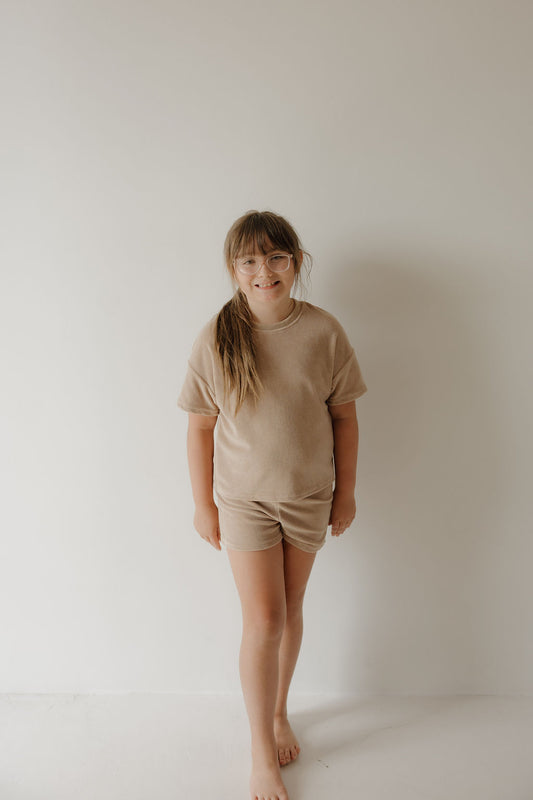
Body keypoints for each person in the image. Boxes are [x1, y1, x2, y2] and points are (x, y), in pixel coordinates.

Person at [177, 209, 367, 800]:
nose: (265, 270)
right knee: (264, 619)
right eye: (250, 261)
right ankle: (261, 751)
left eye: (276, 257)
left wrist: (346, 493)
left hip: (309, 497)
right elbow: (200, 428)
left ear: (297, 263)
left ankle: (280, 710)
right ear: (234, 271)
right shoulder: (217, 336)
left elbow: (344, 417)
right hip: (244, 502)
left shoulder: (324, 331)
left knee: (290, 609)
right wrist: (203, 504)